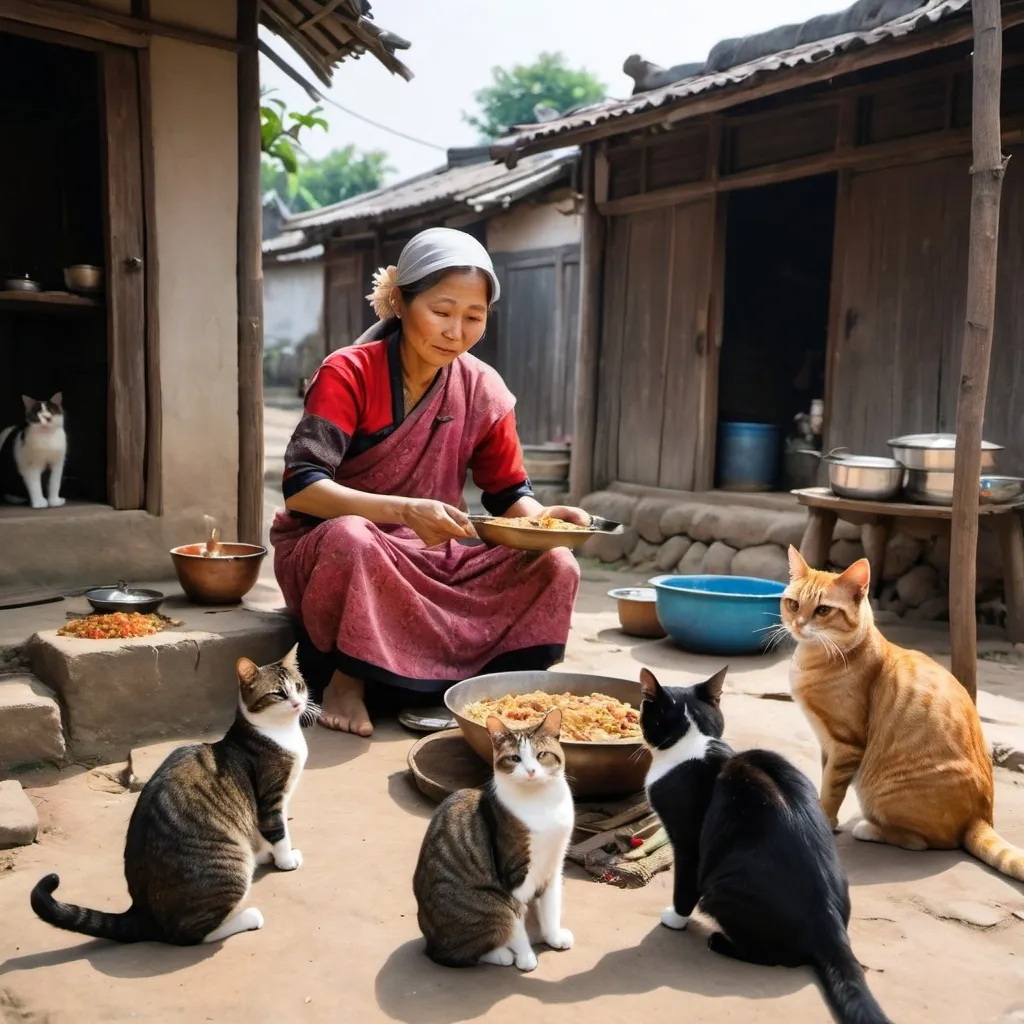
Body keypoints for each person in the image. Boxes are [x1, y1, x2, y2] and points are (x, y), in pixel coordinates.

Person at [271, 228, 587, 737]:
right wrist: (403, 511)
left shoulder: (483, 389)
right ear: (399, 301)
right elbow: (303, 487)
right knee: (352, 538)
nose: (455, 331)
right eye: (441, 311)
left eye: (473, 317)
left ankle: (490, 690)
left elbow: (509, 495)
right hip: (344, 546)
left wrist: (549, 522)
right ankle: (347, 681)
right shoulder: (348, 373)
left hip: (437, 549)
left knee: (555, 562)